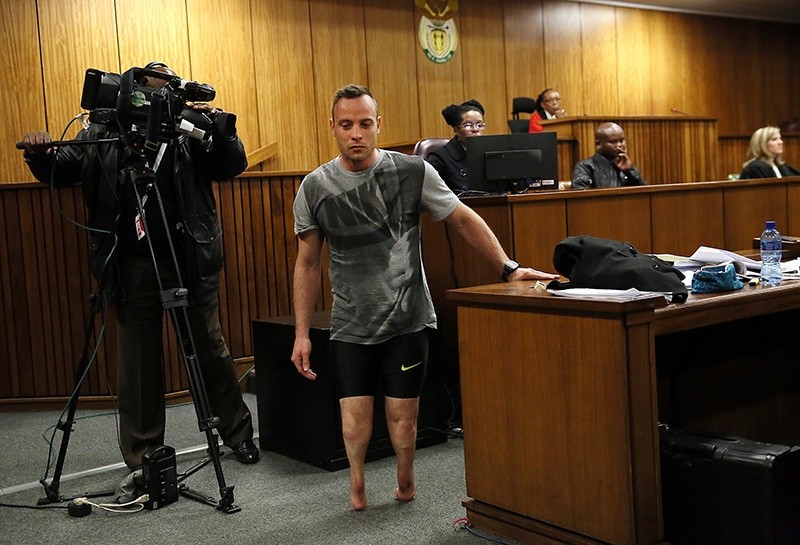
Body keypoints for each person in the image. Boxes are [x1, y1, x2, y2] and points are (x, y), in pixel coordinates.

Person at [290, 84, 557, 511]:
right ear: (333, 128)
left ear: (378, 125)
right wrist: (302, 333)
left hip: (408, 318)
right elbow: (306, 264)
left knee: (403, 418)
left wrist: (508, 266)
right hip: (350, 322)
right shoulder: (315, 186)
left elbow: (463, 218)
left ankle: (405, 480)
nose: (356, 133)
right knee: (355, 418)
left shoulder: (413, 172)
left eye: (364, 124)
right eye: (346, 125)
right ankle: (356, 485)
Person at [19, 62, 259, 475]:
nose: (161, 89)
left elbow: (229, 164)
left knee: (210, 348)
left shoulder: (187, 127)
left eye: (168, 82)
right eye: (154, 81)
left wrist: (223, 132)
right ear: (133, 86)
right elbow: (66, 166)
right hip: (132, 262)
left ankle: (237, 433)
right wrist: (42, 155)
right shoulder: (102, 129)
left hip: (189, 256)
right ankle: (145, 453)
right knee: (138, 361)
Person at [425, 99, 486, 193]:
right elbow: (429, 191)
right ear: (456, 129)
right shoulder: (440, 157)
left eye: (479, 125)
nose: (475, 129)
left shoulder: (490, 152)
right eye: (468, 125)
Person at [571, 122, 647, 189]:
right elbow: (581, 199)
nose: (619, 145)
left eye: (621, 140)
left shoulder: (626, 165)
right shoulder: (585, 167)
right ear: (598, 144)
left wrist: (630, 171)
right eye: (613, 142)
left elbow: (644, 194)